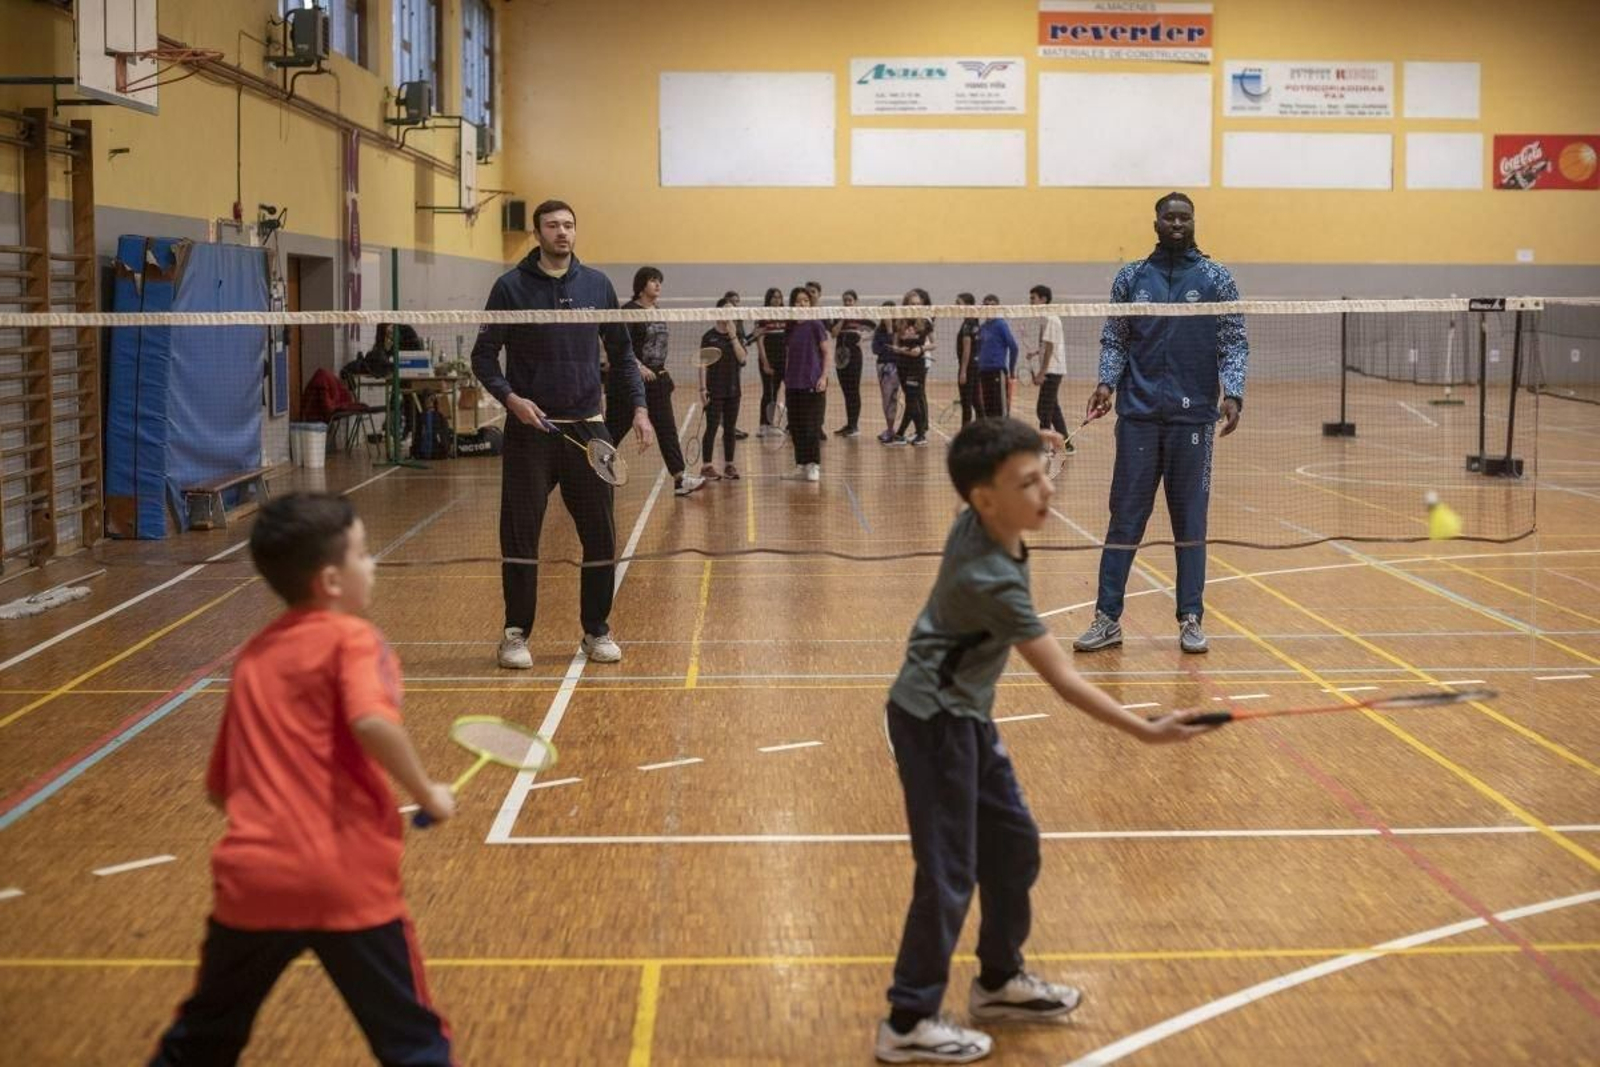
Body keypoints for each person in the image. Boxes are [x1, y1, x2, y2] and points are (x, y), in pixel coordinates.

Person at [874, 418, 1212, 1065]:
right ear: (985, 500)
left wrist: (1040, 448)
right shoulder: (990, 580)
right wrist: (1144, 729)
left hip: (966, 715)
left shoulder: (983, 517)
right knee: (948, 874)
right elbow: (1062, 678)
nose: (1046, 492)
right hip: (934, 723)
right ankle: (908, 1018)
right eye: (1028, 483)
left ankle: (998, 980)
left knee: (1014, 847)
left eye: (1042, 476)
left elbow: (1004, 460)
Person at [149, 494, 456, 1067]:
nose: (374, 564)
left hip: (255, 881)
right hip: (346, 880)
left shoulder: (254, 657)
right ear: (331, 581)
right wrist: (427, 793)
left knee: (202, 1040)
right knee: (413, 1043)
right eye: (364, 554)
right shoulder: (353, 639)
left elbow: (220, 789)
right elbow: (370, 719)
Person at [471, 199, 654, 669]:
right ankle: (515, 635)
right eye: (552, 225)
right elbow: (484, 356)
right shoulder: (510, 287)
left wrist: (639, 408)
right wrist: (511, 399)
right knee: (520, 535)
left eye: (569, 225)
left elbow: (622, 353)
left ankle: (596, 631)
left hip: (588, 430)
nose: (562, 232)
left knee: (600, 537)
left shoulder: (597, 286)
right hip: (531, 431)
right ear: (537, 233)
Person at [1073, 192, 1248, 656]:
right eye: (1168, 217)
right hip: (1138, 415)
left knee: (1190, 522)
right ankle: (1107, 618)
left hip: (1193, 417)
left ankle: (1191, 618)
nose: (1176, 224)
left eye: (1183, 217)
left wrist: (1233, 392)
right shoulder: (1130, 278)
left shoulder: (1216, 278)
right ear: (1155, 223)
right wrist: (1107, 383)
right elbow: (1115, 337)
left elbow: (1234, 341)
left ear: (1193, 222)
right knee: (1124, 520)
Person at [609, 266, 704, 497]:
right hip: (629, 382)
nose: (658, 285)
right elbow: (618, 345)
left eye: (659, 281)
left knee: (667, 430)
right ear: (642, 285)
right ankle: (593, 471)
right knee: (613, 430)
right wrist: (639, 366)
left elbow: (658, 346)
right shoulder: (630, 311)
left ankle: (680, 478)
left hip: (657, 381)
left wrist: (661, 368)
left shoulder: (658, 311)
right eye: (653, 280)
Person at [781, 286, 833, 482]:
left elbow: (827, 352)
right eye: (798, 301)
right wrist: (786, 378)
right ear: (792, 304)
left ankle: (814, 466)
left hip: (813, 382)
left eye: (805, 300)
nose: (801, 304)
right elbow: (788, 354)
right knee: (796, 427)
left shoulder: (816, 325)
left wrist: (823, 377)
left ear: (810, 303)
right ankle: (801, 465)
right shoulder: (791, 326)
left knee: (812, 427)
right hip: (793, 384)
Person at [698, 295, 748, 480]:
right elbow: (702, 364)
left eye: (732, 311)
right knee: (711, 427)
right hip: (714, 389)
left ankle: (729, 465)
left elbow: (742, 359)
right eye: (726, 309)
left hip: (733, 389)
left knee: (730, 428)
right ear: (718, 312)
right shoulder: (709, 337)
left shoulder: (738, 335)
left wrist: (733, 336)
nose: (729, 313)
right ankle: (707, 466)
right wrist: (702, 389)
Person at [1027, 285, 1069, 448]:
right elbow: (1047, 344)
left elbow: (1051, 346)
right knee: (1053, 408)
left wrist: (1041, 372)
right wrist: (1036, 352)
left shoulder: (1051, 319)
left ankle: (1044, 446)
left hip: (1053, 370)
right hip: (1050, 369)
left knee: (1043, 410)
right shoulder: (1045, 318)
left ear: (1043, 299)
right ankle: (1066, 442)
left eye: (1033, 298)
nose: (1030, 301)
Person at [834, 289, 872, 438]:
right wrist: (843, 319)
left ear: (856, 302)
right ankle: (849, 424)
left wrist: (864, 339)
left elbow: (876, 329)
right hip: (840, 357)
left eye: (850, 300)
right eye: (845, 300)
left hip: (855, 357)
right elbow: (833, 333)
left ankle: (854, 426)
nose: (847, 303)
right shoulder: (838, 315)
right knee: (846, 392)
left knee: (853, 391)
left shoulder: (861, 316)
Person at [973, 294, 1017, 419]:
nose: (989, 308)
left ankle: (1005, 437)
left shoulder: (1001, 324)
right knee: (988, 409)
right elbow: (979, 349)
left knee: (1000, 410)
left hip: (997, 372)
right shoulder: (983, 327)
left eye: (992, 305)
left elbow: (1014, 347)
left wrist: (1011, 369)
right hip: (983, 372)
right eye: (986, 305)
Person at [753, 286, 788, 438]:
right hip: (768, 359)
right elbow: (759, 341)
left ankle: (774, 424)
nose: (777, 300)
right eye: (774, 297)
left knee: (781, 390)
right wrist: (765, 362)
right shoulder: (763, 315)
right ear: (768, 299)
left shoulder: (786, 315)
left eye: (779, 297)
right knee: (769, 391)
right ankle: (763, 425)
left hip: (783, 359)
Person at [955, 293, 980, 428]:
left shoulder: (967, 325)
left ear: (967, 305)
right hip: (975, 366)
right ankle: (985, 431)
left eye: (959, 303)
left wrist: (963, 371)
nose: (956, 306)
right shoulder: (975, 321)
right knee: (976, 401)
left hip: (968, 367)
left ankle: (965, 435)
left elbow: (967, 349)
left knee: (966, 402)